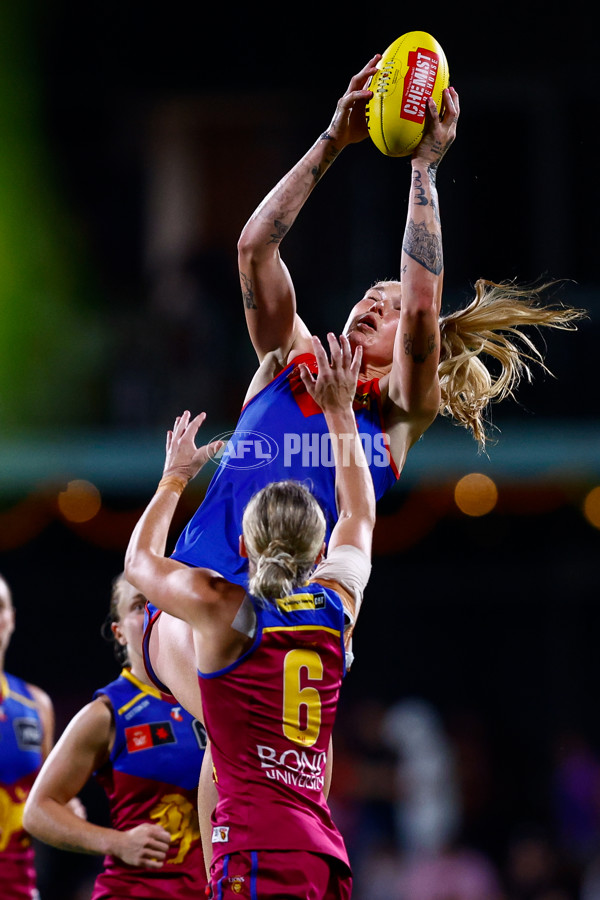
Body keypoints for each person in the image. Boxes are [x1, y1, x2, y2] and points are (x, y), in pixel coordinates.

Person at [171, 56, 584, 586]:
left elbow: (419, 305)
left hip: (279, 619)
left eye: (388, 309)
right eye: (369, 296)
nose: (375, 306)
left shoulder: (400, 413)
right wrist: (333, 140)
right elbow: (254, 248)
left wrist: (424, 168)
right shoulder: (287, 361)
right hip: (190, 591)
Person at [124, 333, 375, 898]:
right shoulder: (339, 606)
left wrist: (174, 478)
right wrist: (340, 414)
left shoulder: (222, 610)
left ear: (241, 542)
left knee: (218, 740)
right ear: (319, 555)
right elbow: (359, 511)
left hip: (255, 851)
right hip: (324, 855)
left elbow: (139, 564)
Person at [23, 573, 207, 900]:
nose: (151, 613)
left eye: (159, 601)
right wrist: (116, 842)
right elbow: (37, 810)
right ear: (119, 633)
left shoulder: (213, 700)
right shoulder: (109, 712)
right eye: (138, 606)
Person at [0, 571, 55, 900]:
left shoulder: (36, 704)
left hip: (18, 889)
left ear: (12, 618)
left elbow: (49, 799)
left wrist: (63, 807)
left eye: (0, 606)